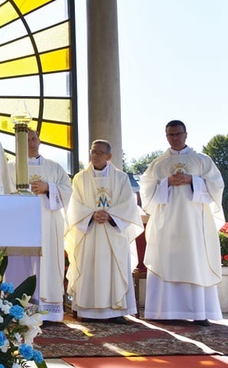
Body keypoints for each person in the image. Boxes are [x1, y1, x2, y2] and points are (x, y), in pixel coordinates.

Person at [140, 120, 225, 326]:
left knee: (195, 261)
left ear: (186, 134)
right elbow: (145, 190)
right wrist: (166, 182)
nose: (174, 138)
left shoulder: (202, 160)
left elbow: (217, 186)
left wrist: (192, 181)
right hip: (166, 224)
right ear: (166, 136)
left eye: (178, 134)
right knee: (166, 260)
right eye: (170, 134)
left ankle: (199, 312)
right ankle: (166, 312)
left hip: (194, 223)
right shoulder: (158, 164)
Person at [65, 140, 143, 323]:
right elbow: (74, 205)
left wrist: (110, 216)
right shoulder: (80, 178)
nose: (96, 155)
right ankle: (87, 310)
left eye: (100, 152)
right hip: (89, 232)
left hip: (113, 233)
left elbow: (128, 205)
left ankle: (115, 311)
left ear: (109, 156)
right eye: (93, 152)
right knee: (88, 267)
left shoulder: (121, 178)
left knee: (114, 268)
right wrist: (91, 215)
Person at [4, 129, 72, 322]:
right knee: (19, 263)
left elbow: (68, 191)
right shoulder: (9, 168)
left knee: (47, 262)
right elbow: (0, 191)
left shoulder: (54, 168)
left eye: (34, 138)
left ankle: (47, 311)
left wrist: (48, 188)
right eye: (25, 140)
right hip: (19, 224)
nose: (31, 142)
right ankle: (18, 310)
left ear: (40, 140)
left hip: (48, 223)